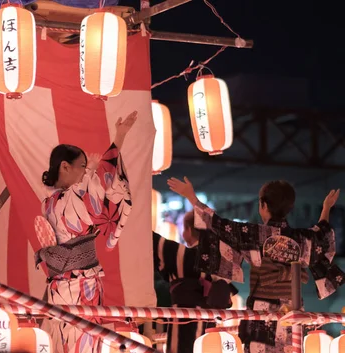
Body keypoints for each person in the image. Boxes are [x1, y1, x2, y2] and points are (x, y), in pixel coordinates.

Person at [167, 177, 343, 353]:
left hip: (262, 311)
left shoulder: (255, 235)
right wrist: (326, 208)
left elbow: (217, 224)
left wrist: (191, 197)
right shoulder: (302, 239)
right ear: (289, 208)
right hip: (293, 311)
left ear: (263, 205)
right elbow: (322, 234)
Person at [36, 111, 137, 353]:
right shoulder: (69, 197)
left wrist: (91, 169)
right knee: (86, 340)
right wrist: (119, 137)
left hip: (58, 285)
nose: (84, 171)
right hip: (83, 281)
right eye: (81, 166)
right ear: (64, 166)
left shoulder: (47, 203)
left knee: (61, 339)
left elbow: (93, 183)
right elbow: (103, 181)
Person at [153, 211, 238, 353]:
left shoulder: (182, 255)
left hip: (184, 318)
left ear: (189, 230)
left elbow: (154, 242)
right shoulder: (222, 263)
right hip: (211, 320)